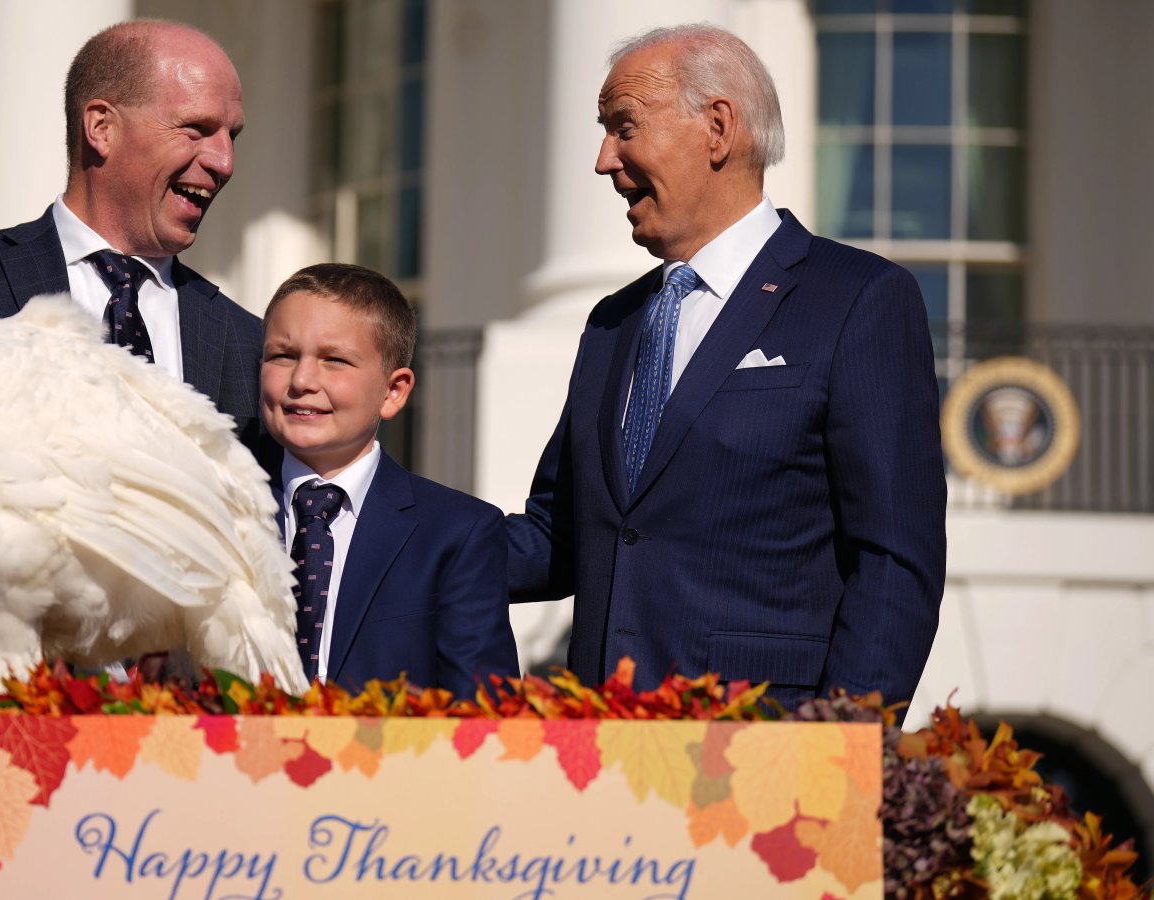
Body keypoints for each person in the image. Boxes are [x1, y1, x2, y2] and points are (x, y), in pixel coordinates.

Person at [506, 24, 946, 709]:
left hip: (764, 758)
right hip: (597, 759)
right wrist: (383, 520)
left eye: (625, 128)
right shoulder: (612, 323)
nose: (603, 160)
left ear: (717, 128)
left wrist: (840, 757)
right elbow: (556, 538)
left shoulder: (857, 299)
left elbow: (893, 561)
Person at [0, 20, 259, 693]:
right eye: (197, 129)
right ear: (101, 127)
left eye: (231, 137)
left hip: (170, 756)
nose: (223, 161)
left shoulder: (244, 341)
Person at [261, 263, 520, 696]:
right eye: (282, 355)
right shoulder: (216, 507)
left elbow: (483, 720)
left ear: (393, 391)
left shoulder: (457, 533)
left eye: (334, 361)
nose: (302, 380)